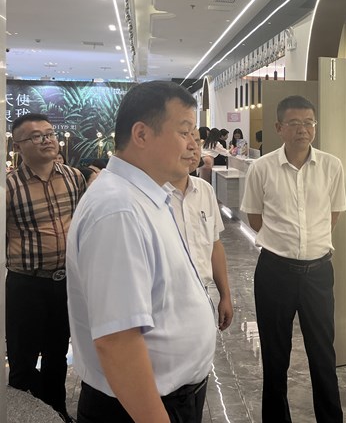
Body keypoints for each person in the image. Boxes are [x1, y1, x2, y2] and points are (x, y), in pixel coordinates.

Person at [66, 81, 217, 422]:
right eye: (184, 132)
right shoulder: (118, 209)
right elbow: (117, 341)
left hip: (167, 398)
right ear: (142, 134)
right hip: (138, 408)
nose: (193, 144)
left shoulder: (146, 195)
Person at [241, 95, 346, 422]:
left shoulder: (331, 166)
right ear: (279, 127)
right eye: (295, 123)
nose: (303, 129)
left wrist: (309, 244)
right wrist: (283, 242)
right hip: (275, 272)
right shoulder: (261, 168)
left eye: (309, 122)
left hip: (318, 273)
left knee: (323, 356)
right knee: (275, 358)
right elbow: (254, 217)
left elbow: (333, 214)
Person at [6, 113, 87, 423]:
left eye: (50, 134)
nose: (47, 140)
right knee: (22, 358)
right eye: (36, 136)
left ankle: (56, 411)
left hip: (65, 282)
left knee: (57, 354)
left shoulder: (73, 177)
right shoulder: (9, 186)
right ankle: (21, 414)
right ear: (18, 146)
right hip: (26, 284)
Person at [168, 128, 233, 331]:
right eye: (185, 139)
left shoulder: (205, 190)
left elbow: (214, 245)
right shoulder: (152, 195)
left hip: (202, 295)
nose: (194, 148)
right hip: (165, 302)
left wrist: (225, 295)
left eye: (197, 142)